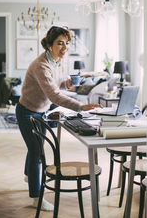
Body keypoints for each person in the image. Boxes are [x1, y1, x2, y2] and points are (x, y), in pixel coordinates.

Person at [16, 26, 101, 211]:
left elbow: (55, 84)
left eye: (67, 43)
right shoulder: (41, 65)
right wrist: (80, 106)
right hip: (27, 111)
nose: (64, 47)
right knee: (37, 151)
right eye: (59, 43)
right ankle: (36, 197)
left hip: (42, 110)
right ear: (49, 44)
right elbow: (54, 95)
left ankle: (28, 175)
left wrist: (66, 82)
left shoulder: (57, 60)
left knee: (35, 147)